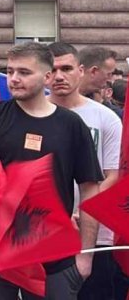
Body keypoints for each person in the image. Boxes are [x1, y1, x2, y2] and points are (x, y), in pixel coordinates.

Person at [0, 42, 103, 299]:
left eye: (24, 72)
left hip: (51, 251)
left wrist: (85, 254)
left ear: (47, 77)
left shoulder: (71, 125)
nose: (14, 79)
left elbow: (90, 189)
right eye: (10, 71)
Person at [47, 42, 122, 300]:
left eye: (66, 68)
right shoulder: (32, 115)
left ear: (80, 71)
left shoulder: (106, 118)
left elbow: (112, 174)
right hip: (44, 233)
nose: (59, 76)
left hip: (95, 234)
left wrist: (85, 210)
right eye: (52, 69)